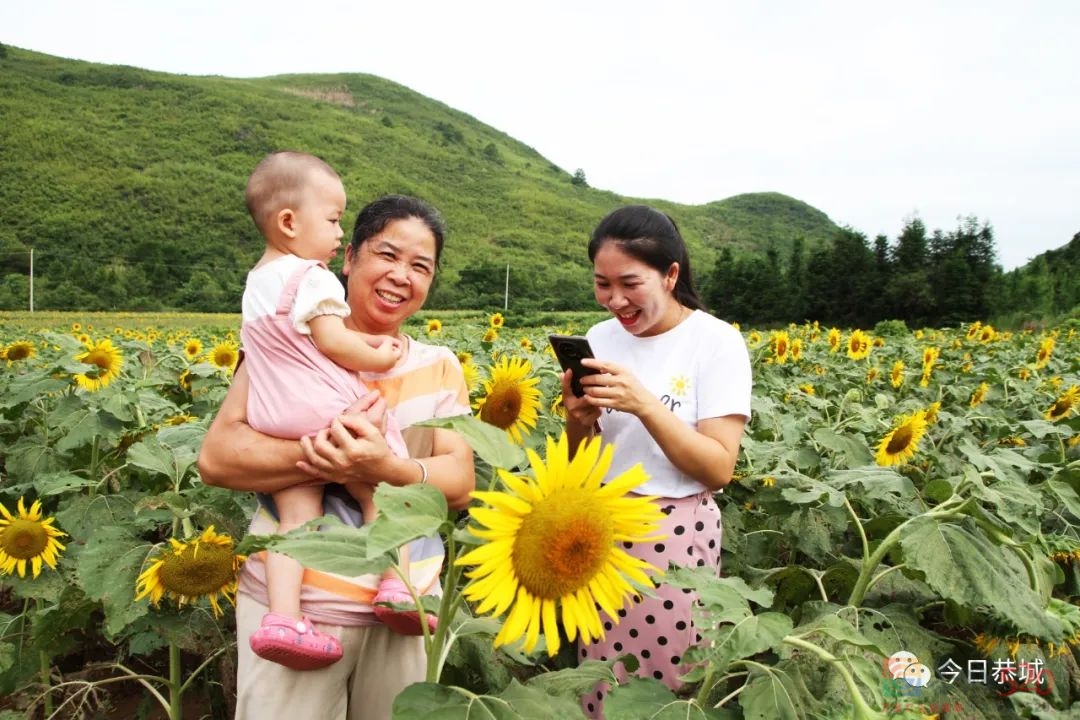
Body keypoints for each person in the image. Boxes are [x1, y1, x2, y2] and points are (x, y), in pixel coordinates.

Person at [197, 194, 476, 720]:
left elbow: (460, 482)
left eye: (421, 266)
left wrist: (383, 468)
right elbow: (219, 459)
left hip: (407, 608)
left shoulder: (439, 365)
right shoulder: (284, 352)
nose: (401, 276)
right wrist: (332, 456)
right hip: (296, 609)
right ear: (347, 258)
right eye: (387, 255)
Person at [239, 153, 432, 672]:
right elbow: (332, 340)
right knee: (383, 485)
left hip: (271, 412)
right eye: (332, 220)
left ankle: (283, 619)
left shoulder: (257, 281)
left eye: (420, 266)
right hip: (321, 406)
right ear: (289, 222)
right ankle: (398, 584)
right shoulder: (313, 277)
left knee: (296, 518)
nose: (335, 229)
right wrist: (378, 355)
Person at [559, 205, 752, 718]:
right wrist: (578, 418)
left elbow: (718, 468)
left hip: (675, 538)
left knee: (668, 688)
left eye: (629, 283)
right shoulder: (600, 339)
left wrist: (643, 402)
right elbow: (584, 459)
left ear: (670, 275)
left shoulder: (715, 342)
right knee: (600, 678)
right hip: (600, 532)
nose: (615, 300)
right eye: (602, 284)